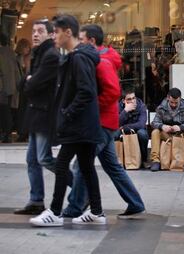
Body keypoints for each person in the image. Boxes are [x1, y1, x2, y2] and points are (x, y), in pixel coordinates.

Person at [62, 24, 146, 219]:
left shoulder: (101, 60)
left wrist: (92, 106)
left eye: (81, 39)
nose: (78, 43)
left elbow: (112, 91)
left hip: (101, 124)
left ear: (91, 41)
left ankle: (75, 206)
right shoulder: (101, 58)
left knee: (81, 165)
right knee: (112, 166)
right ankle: (135, 202)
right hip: (105, 123)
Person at [30, 14, 104, 226]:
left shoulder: (79, 58)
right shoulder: (79, 56)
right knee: (87, 168)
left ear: (68, 32)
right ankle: (97, 212)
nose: (54, 36)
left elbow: (87, 91)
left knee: (62, 165)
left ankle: (54, 212)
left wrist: (67, 113)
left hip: (79, 125)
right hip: (85, 125)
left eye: (57, 31)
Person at [14, 20, 61, 215]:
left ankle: (79, 190)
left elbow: (32, 85)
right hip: (36, 114)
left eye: (40, 31)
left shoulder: (50, 55)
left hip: (44, 114)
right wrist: (29, 80)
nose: (35, 34)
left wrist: (30, 81)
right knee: (32, 159)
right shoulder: (39, 54)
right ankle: (36, 200)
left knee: (44, 158)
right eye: (33, 31)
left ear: (50, 35)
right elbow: (22, 85)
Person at [150, 87, 184, 172]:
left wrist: (181, 127)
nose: (174, 105)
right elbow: (154, 122)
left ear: (180, 99)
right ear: (168, 98)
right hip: (166, 135)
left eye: (176, 102)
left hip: (180, 135)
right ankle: (155, 160)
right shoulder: (161, 108)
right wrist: (162, 126)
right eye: (171, 102)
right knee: (155, 132)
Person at [114, 90, 149, 167]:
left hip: (136, 130)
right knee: (114, 134)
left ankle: (144, 160)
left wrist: (125, 127)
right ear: (123, 101)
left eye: (134, 98)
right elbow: (116, 124)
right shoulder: (118, 107)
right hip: (122, 131)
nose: (133, 101)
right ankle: (118, 160)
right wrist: (125, 111)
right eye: (129, 99)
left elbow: (141, 124)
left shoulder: (141, 106)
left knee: (142, 134)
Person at [0, 33, 19, 143]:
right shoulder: (10, 52)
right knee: (6, 110)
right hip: (10, 86)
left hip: (2, 87)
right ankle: (6, 133)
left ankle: (5, 133)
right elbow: (15, 71)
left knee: (3, 111)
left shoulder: (2, 53)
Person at [14, 38, 32, 142]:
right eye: (26, 47)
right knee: (21, 111)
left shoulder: (29, 58)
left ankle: (25, 132)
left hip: (27, 87)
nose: (27, 49)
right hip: (21, 88)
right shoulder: (17, 58)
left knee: (25, 110)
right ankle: (22, 132)